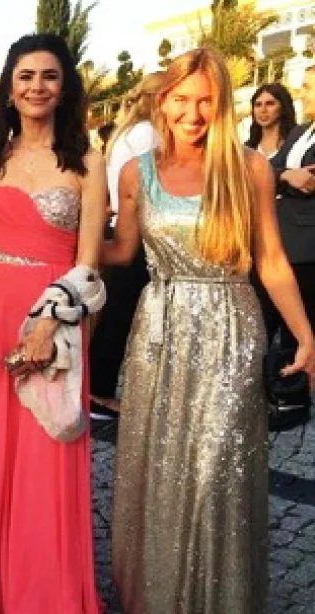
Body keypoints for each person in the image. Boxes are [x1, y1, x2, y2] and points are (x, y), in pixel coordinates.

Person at [105, 48, 315, 613]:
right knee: (159, 464)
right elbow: (121, 251)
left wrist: (305, 335)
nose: (192, 113)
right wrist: (46, 243)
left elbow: (271, 259)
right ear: (163, 101)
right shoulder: (135, 172)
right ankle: (159, 597)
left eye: (206, 101)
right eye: (181, 99)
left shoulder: (248, 169)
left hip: (230, 329)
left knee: (220, 467)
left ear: (222, 105)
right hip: (158, 332)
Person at [0, 34, 105, 613]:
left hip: (56, 316)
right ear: (9, 88)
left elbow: (89, 264)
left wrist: (50, 322)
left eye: (49, 75)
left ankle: (46, 595)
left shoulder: (88, 161)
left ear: (65, 87)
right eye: (25, 76)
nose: (36, 87)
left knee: (49, 450)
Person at [89, 72, 163, 420]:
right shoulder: (147, 133)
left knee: (115, 312)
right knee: (120, 315)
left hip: (122, 221)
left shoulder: (126, 131)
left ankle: (98, 387)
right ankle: (99, 390)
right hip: (138, 227)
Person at [263, 70, 315, 414]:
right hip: (281, 237)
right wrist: (285, 175)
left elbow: (308, 182)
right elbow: (269, 171)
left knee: (301, 320)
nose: (304, 91)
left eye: (309, 86)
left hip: (307, 241)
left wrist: (284, 177)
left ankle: (296, 395)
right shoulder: (300, 132)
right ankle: (283, 387)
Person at [246, 82, 297, 159]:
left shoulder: (296, 144)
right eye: (258, 105)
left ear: (283, 107)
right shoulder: (247, 148)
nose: (263, 110)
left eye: (270, 104)